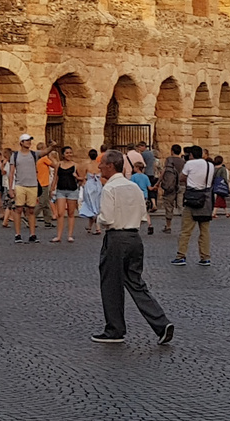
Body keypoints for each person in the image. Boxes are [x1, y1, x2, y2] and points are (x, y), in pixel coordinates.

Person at [92, 149, 174, 345]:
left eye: (102, 164)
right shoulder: (134, 187)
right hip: (135, 238)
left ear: (110, 166)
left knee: (111, 285)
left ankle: (115, 329)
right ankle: (161, 323)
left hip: (116, 238)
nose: (99, 167)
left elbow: (107, 218)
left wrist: (98, 219)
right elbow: (143, 214)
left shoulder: (109, 189)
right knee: (136, 283)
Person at [172, 146, 214, 266]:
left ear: (191, 155)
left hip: (192, 198)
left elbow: (181, 178)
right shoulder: (209, 165)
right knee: (204, 231)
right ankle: (205, 257)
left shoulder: (189, 164)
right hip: (206, 200)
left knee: (186, 230)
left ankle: (181, 255)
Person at [6, 134, 40, 243]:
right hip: (20, 184)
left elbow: (45, 152)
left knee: (31, 210)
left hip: (32, 185)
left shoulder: (34, 154)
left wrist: (52, 147)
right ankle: (18, 234)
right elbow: (11, 173)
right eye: (26, 140)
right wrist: (10, 189)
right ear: (21, 142)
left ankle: (32, 234)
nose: (29, 142)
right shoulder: (15, 155)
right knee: (18, 209)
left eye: (29, 140)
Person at [51, 145, 81, 243]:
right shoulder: (58, 164)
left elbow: (82, 178)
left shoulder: (75, 165)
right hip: (61, 190)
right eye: (67, 153)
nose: (69, 155)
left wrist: (77, 176)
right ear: (63, 154)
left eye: (70, 153)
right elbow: (55, 177)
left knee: (71, 213)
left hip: (72, 190)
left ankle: (70, 235)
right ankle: (58, 236)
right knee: (60, 213)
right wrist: (52, 189)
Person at [158, 144, 185, 235]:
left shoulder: (169, 160)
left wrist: (158, 183)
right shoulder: (183, 161)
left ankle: (168, 226)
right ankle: (184, 226)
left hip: (170, 186)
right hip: (181, 185)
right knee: (181, 206)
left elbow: (164, 172)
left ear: (172, 151)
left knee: (169, 206)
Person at [78, 149, 104, 235]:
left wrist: (76, 177)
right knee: (95, 204)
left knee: (91, 205)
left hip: (89, 186)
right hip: (98, 185)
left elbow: (82, 177)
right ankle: (90, 226)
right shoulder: (100, 165)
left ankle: (97, 227)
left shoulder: (87, 165)